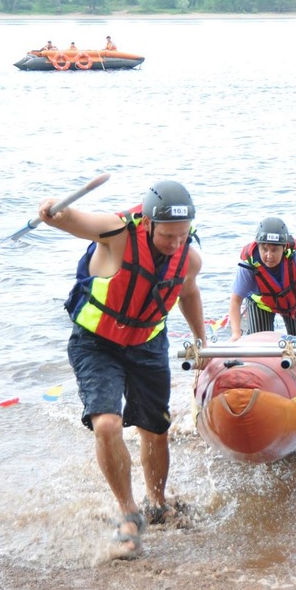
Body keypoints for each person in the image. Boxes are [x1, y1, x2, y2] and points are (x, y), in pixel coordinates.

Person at [37, 180, 206, 558]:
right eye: (167, 236)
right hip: (98, 342)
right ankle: (129, 514)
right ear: (146, 224)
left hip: (148, 342)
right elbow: (74, 220)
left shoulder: (189, 257)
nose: (176, 244)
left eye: (182, 235)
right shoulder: (118, 234)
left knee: (155, 430)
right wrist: (54, 211)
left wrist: (202, 343)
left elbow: (188, 292)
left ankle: (157, 503)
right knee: (108, 424)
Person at [228, 216, 296, 342]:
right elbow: (235, 301)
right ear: (258, 246)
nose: (269, 256)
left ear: (284, 248)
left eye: (274, 250)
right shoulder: (248, 263)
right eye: (264, 249)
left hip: (295, 301)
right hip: (261, 304)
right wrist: (236, 333)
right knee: (259, 346)